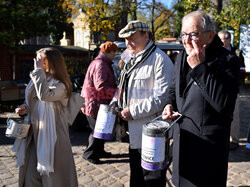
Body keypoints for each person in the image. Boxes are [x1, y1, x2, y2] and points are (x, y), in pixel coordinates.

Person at [162, 11, 240, 187]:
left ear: (210, 35)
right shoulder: (182, 56)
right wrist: (169, 103)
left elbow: (223, 104)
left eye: (193, 34)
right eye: (183, 34)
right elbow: (174, 88)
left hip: (208, 152)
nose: (186, 40)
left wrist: (199, 67)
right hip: (182, 144)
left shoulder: (228, 61)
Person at [112, 20, 174, 186]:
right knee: (137, 178)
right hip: (133, 130)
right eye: (126, 39)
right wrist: (115, 101)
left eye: (132, 38)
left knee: (152, 180)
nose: (128, 43)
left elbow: (161, 98)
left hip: (152, 132)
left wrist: (132, 111)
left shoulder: (160, 60)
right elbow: (122, 86)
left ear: (146, 35)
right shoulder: (131, 58)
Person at [14, 48, 78, 186]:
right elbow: (33, 100)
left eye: (40, 59)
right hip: (33, 135)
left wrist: (38, 72)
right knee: (31, 178)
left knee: (53, 180)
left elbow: (44, 95)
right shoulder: (37, 79)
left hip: (53, 138)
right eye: (36, 59)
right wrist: (25, 107)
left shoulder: (61, 85)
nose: (36, 62)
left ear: (52, 62)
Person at [81, 41, 118, 164]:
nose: (115, 54)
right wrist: (118, 92)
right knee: (97, 129)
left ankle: (99, 151)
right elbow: (100, 86)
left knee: (101, 128)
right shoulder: (101, 64)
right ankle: (89, 153)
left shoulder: (100, 62)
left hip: (96, 102)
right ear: (108, 52)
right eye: (114, 52)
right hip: (95, 103)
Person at [218, 30, 245, 150]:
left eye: (223, 39)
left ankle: (234, 140)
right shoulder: (215, 52)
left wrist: (233, 83)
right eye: (219, 39)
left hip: (232, 91)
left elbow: (242, 72)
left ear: (229, 40)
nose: (220, 42)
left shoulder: (237, 54)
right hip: (218, 91)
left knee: (234, 115)